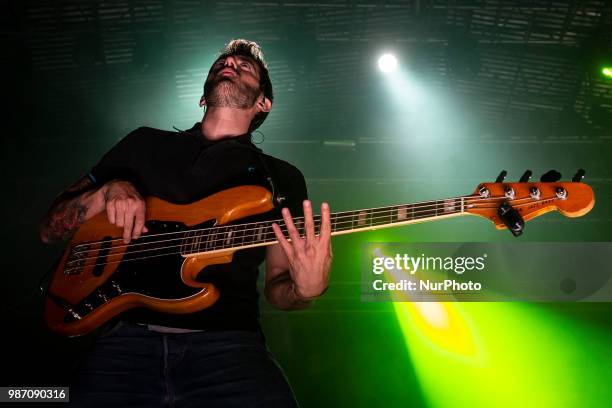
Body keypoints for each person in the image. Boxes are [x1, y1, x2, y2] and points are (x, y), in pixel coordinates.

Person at [39, 39, 332, 407]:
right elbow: (50, 229)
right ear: (201, 97)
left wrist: (304, 291)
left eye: (245, 65)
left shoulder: (280, 178)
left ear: (263, 103)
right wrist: (106, 191)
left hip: (229, 348)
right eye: (224, 60)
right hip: (126, 340)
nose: (230, 62)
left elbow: (278, 285)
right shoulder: (143, 145)